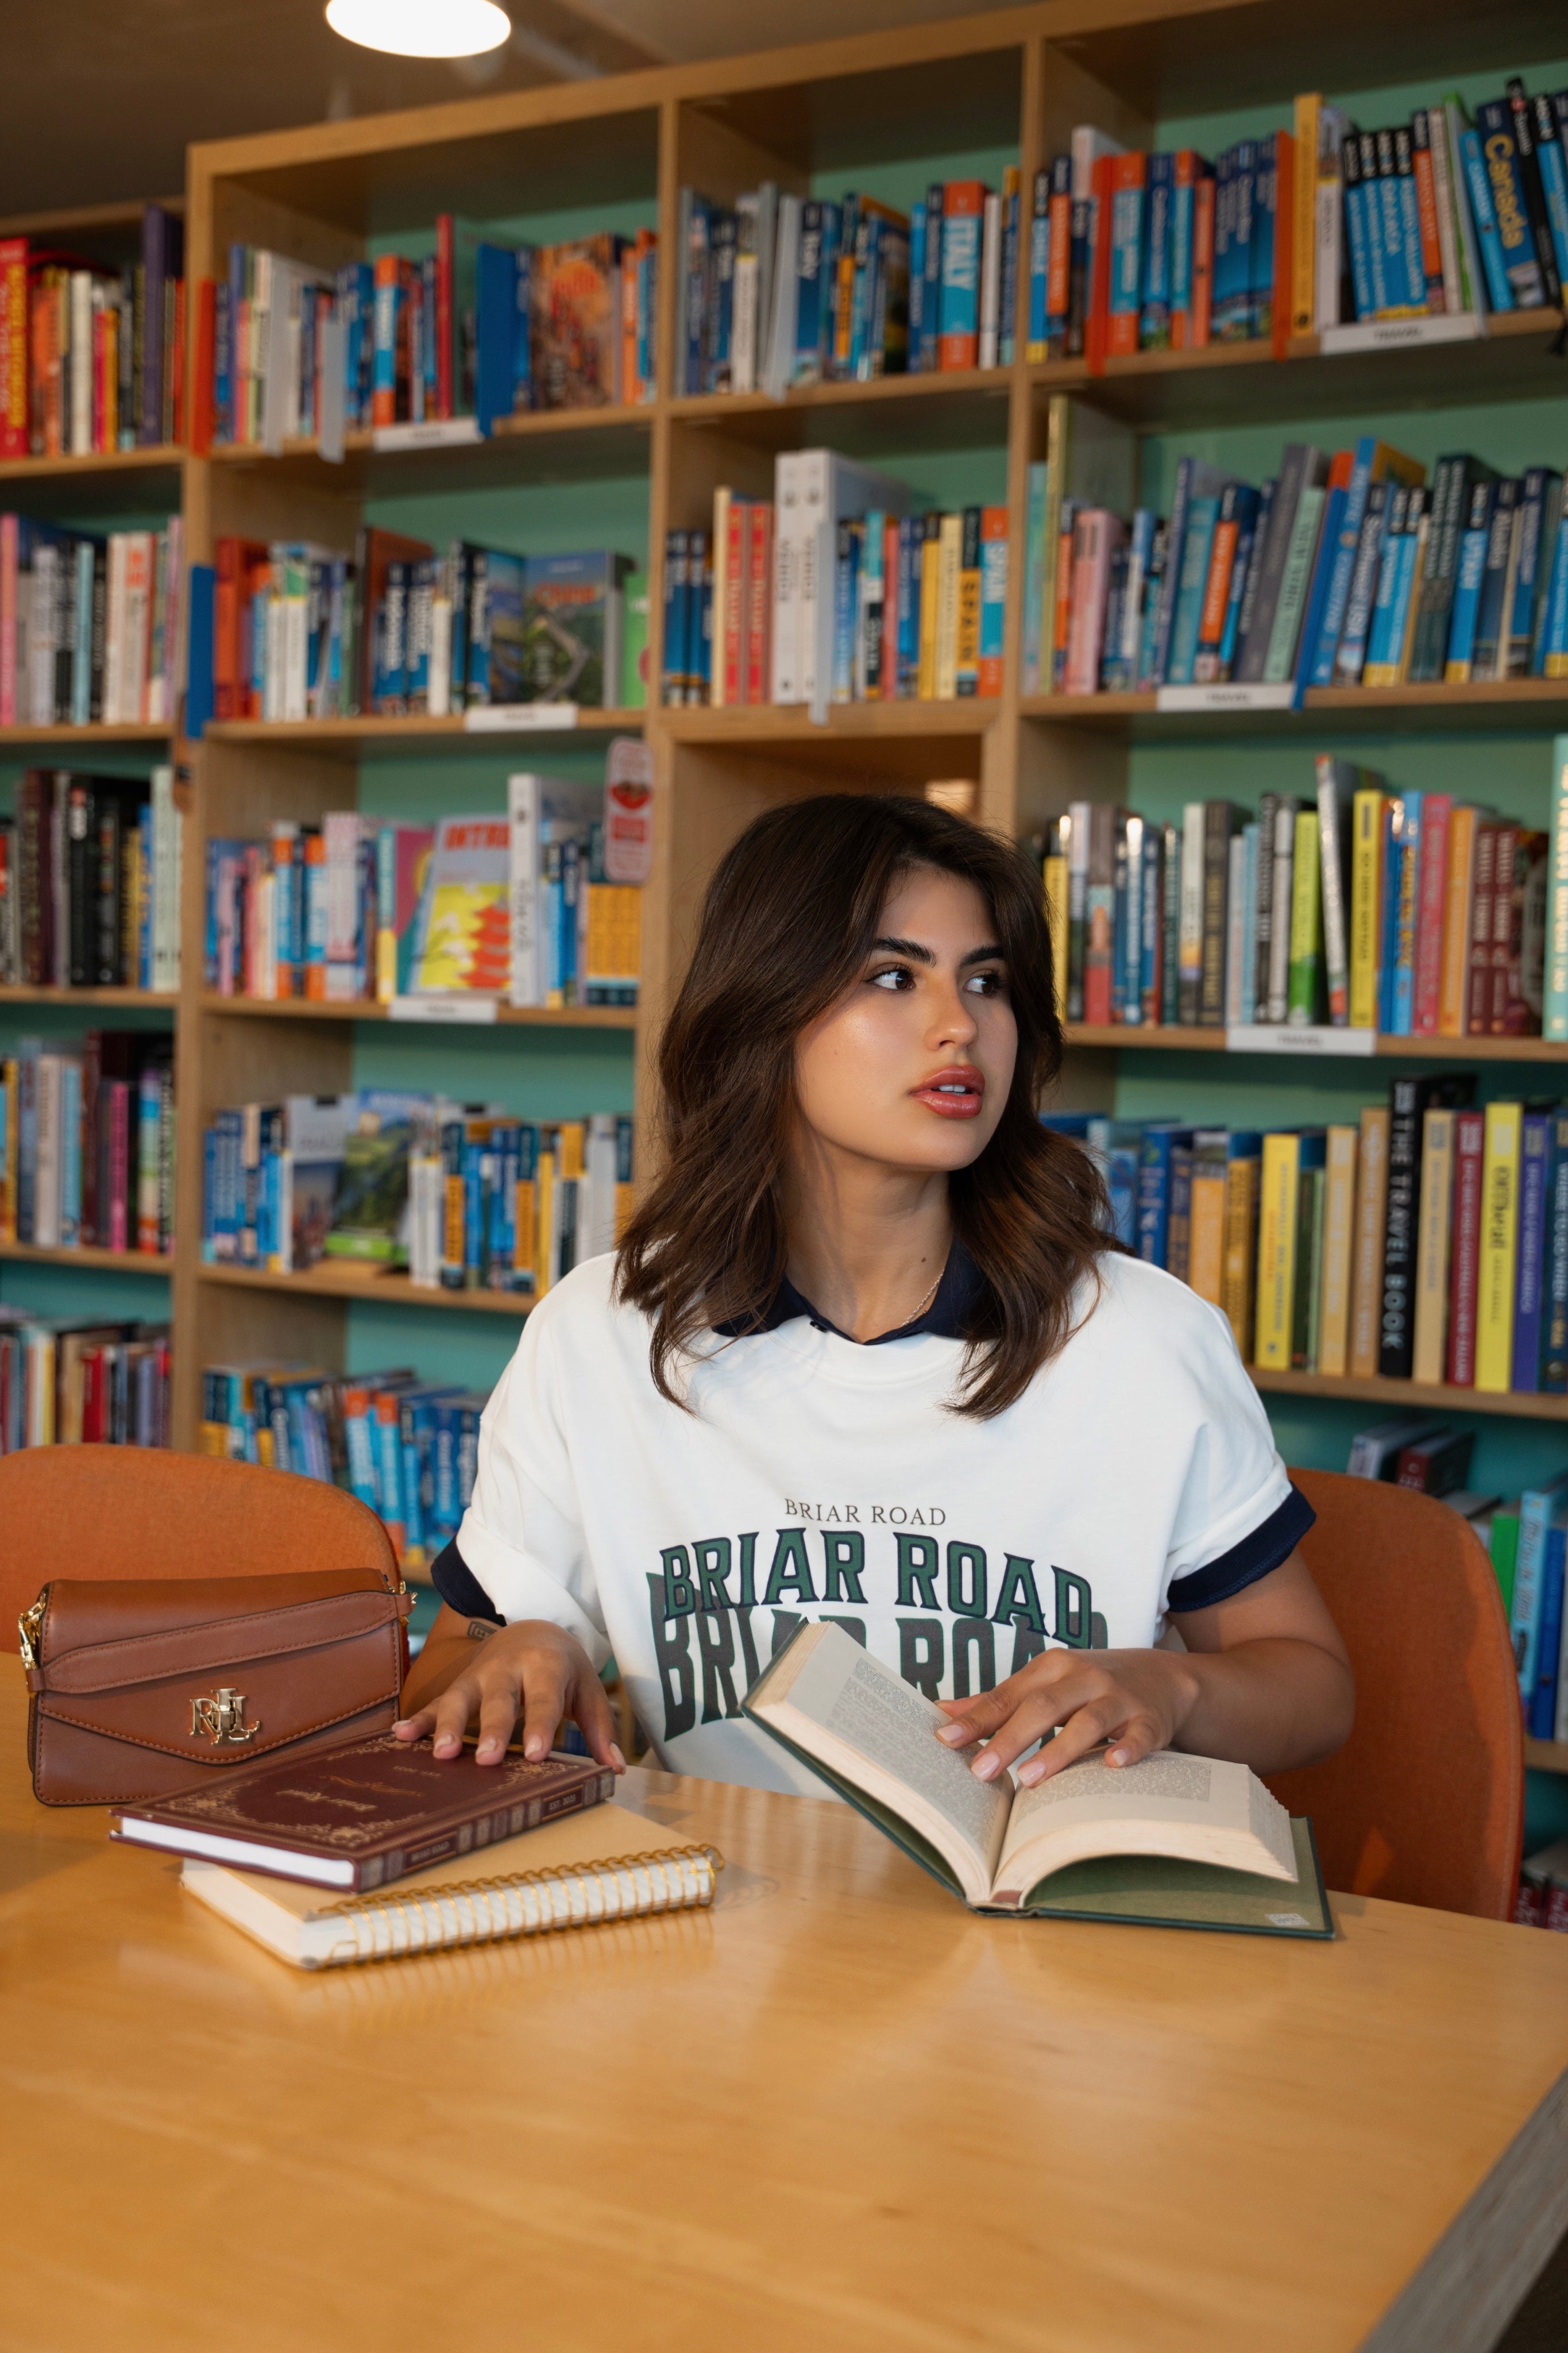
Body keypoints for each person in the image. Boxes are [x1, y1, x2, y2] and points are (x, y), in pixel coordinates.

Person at [397, 793, 1353, 1797]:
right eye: (894, 976)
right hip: (726, 1887)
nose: (960, 1025)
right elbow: (447, 1669)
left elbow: (1312, 1687)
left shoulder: (1139, 1338)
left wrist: (1172, 1686)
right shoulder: (604, 1332)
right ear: (763, 1011)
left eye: (985, 981)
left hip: (1042, 1890)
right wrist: (522, 1653)